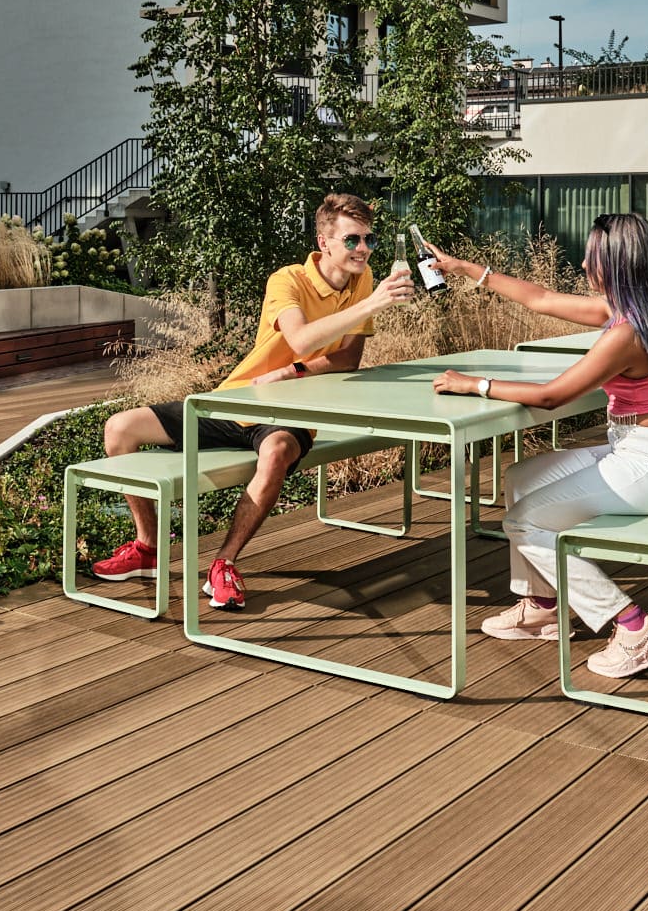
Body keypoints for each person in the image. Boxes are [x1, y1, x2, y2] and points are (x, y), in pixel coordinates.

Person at [91, 193, 417, 610]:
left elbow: (348, 358)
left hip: (292, 412)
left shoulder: (363, 279)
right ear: (325, 243)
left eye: (368, 240)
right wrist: (371, 306)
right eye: (353, 240)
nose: (365, 249)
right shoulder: (288, 280)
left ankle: (223, 563)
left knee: (278, 449)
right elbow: (299, 338)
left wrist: (293, 372)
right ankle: (148, 547)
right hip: (240, 397)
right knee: (119, 428)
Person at [428, 212, 648, 679]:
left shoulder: (625, 332)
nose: (582, 265)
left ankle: (634, 627)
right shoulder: (636, 310)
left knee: (525, 521)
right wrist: (465, 268)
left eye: (592, 257)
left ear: (617, 263)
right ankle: (543, 606)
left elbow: (552, 396)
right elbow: (540, 299)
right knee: (521, 479)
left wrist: (474, 384)